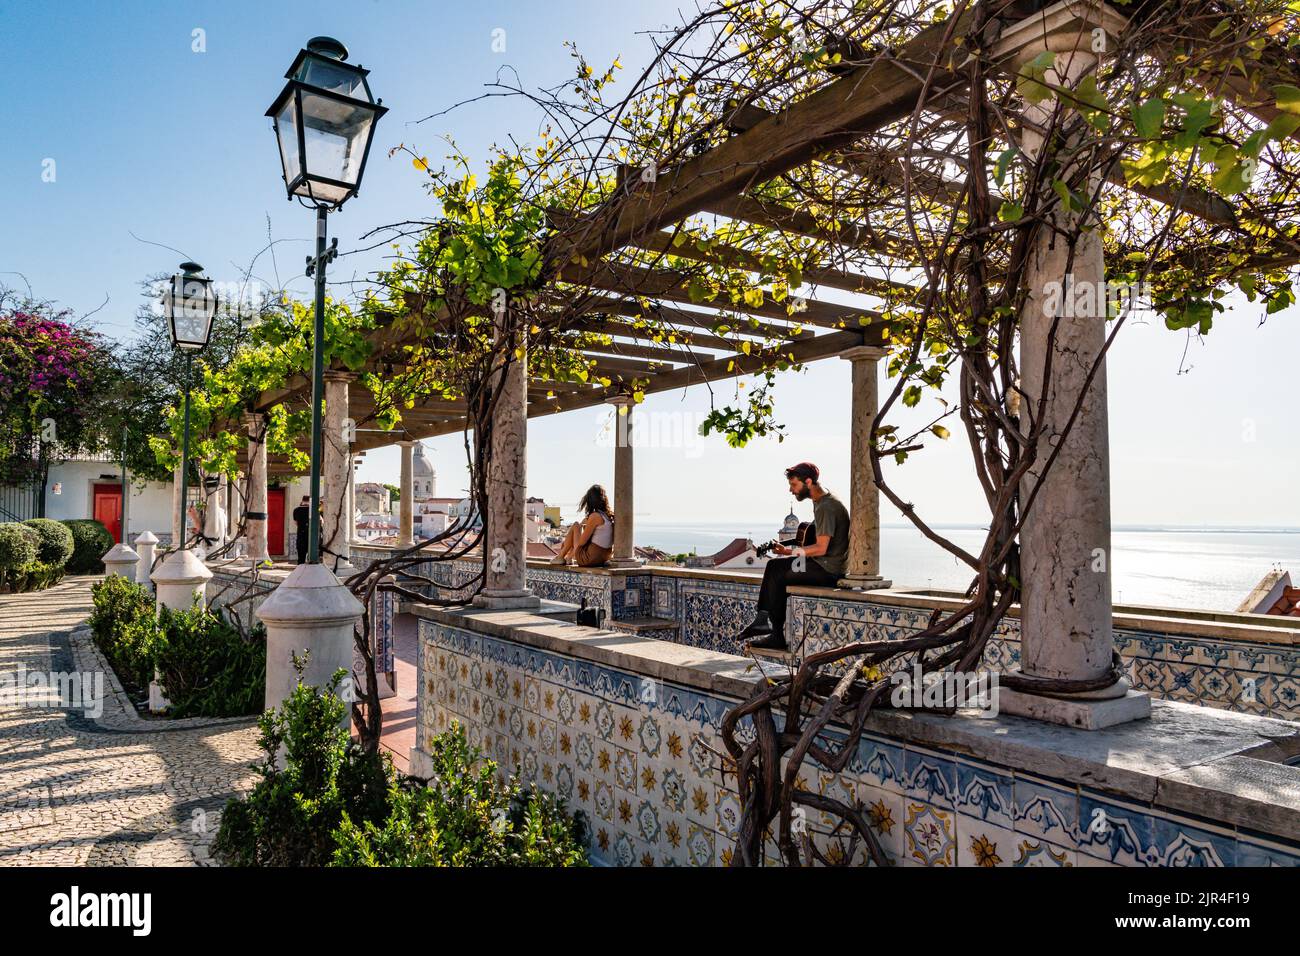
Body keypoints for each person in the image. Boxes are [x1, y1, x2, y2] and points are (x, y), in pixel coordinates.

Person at [738, 462, 850, 651]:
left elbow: (822, 548)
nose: (791, 490)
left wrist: (789, 552)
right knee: (778, 571)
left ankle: (767, 625)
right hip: (820, 564)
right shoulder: (822, 501)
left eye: (794, 485)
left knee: (776, 568)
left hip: (827, 569)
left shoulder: (826, 506)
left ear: (808, 481)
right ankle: (770, 629)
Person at [551, 485, 614, 567]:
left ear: (590, 501)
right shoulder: (608, 517)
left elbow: (581, 542)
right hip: (603, 558)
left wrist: (582, 528)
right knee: (580, 526)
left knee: (576, 525)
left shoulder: (595, 516)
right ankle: (569, 557)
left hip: (589, 559)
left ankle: (560, 556)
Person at [292, 495, 311, 565]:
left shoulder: (296, 510)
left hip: (300, 534)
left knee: (301, 558)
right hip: (311, 536)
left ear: (302, 501)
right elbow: (320, 521)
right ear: (310, 501)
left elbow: (296, 523)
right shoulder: (313, 510)